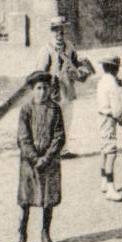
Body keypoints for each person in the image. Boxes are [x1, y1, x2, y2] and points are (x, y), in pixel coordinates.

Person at [14, 69, 65, 242]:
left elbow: (59, 137)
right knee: (25, 200)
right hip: (29, 164)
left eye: (45, 88)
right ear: (32, 90)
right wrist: (35, 159)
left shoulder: (55, 109)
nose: (42, 92)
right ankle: (22, 236)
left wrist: (47, 158)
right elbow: (23, 138)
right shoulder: (26, 110)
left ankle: (45, 234)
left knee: (47, 199)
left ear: (50, 89)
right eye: (38, 88)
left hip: (49, 163)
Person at [30, 16, 94, 151]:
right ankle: (50, 150)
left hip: (68, 91)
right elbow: (39, 75)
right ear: (51, 31)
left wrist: (82, 68)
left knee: (67, 120)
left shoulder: (69, 46)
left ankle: (63, 149)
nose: (59, 34)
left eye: (62, 30)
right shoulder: (46, 50)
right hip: (53, 94)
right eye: (56, 30)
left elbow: (76, 63)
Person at [96, 55, 122, 202]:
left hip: (101, 116)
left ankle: (103, 181)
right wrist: (119, 118)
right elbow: (116, 106)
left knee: (104, 150)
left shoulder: (101, 81)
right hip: (109, 118)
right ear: (116, 69)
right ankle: (110, 187)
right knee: (112, 152)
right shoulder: (112, 83)